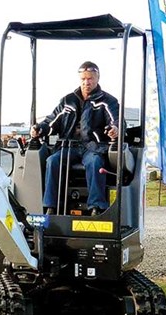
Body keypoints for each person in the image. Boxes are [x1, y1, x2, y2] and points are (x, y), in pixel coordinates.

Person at [30, 61, 119, 216]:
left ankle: (96, 207)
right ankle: (50, 206)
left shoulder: (107, 101)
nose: (87, 82)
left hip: (93, 147)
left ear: (97, 78)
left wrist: (115, 129)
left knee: (95, 162)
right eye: (83, 79)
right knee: (52, 161)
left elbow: (116, 120)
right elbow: (51, 122)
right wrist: (39, 129)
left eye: (90, 78)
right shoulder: (67, 101)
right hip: (68, 147)